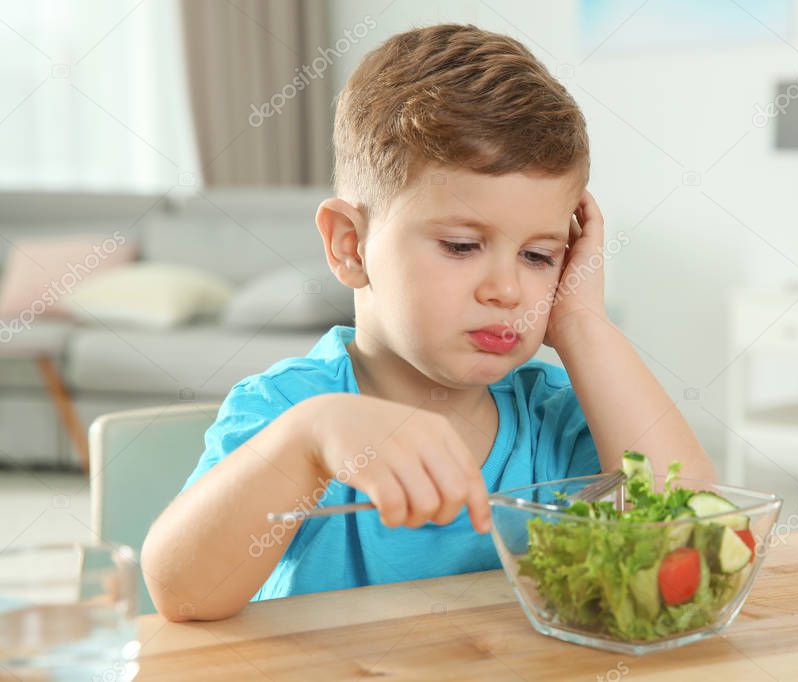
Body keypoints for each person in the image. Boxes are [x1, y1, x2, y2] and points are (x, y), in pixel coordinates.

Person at [141, 23, 715, 622]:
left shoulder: (558, 418)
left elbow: (692, 538)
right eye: (463, 246)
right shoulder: (290, 411)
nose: (507, 289)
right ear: (350, 246)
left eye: (539, 256)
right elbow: (183, 593)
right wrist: (308, 441)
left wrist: (582, 324)